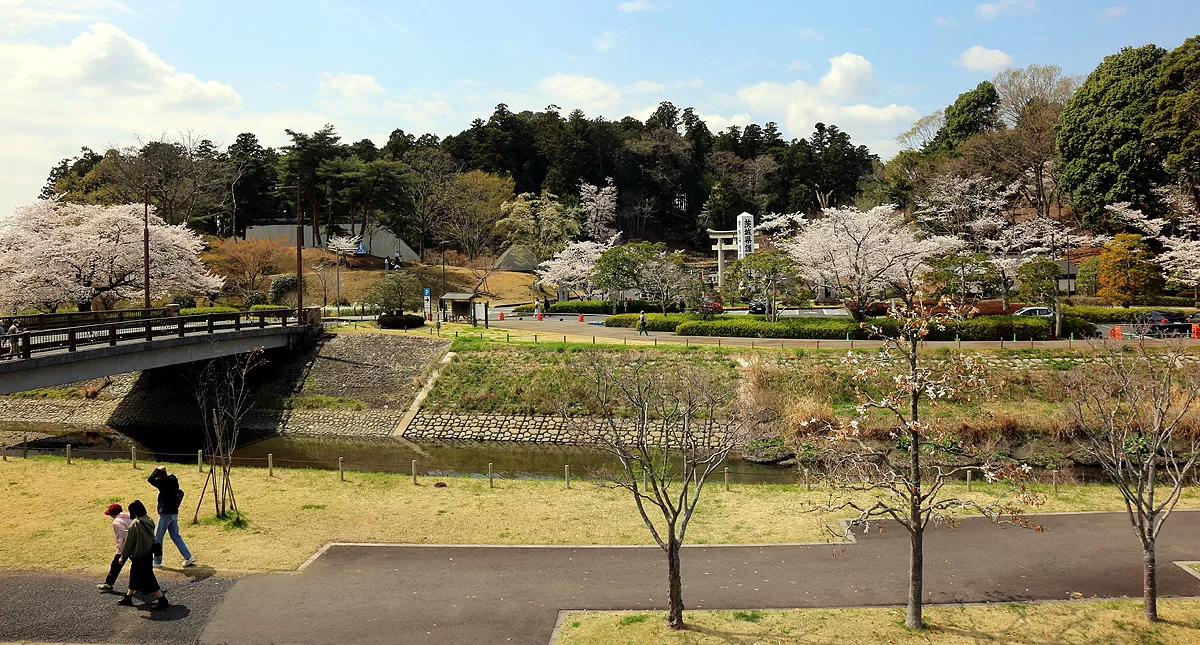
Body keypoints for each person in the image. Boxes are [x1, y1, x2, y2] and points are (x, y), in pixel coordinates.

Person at [118, 500, 169, 609]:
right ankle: (128, 596)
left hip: (138, 554)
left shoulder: (136, 524)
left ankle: (162, 599)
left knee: (148, 577)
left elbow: (129, 542)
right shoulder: (148, 519)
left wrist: (123, 557)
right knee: (134, 575)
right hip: (148, 552)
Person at [147, 466, 195, 568]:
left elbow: (150, 479)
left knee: (158, 538)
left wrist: (157, 469)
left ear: (159, 476)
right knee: (176, 536)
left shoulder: (163, 483)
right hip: (174, 512)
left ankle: (157, 561)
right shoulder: (173, 481)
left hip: (165, 514)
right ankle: (188, 557)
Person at [97, 503, 132, 592]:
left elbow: (125, 535)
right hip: (135, 545)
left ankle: (108, 584)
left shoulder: (116, 522)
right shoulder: (129, 516)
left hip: (125, 548)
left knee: (115, 565)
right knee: (139, 566)